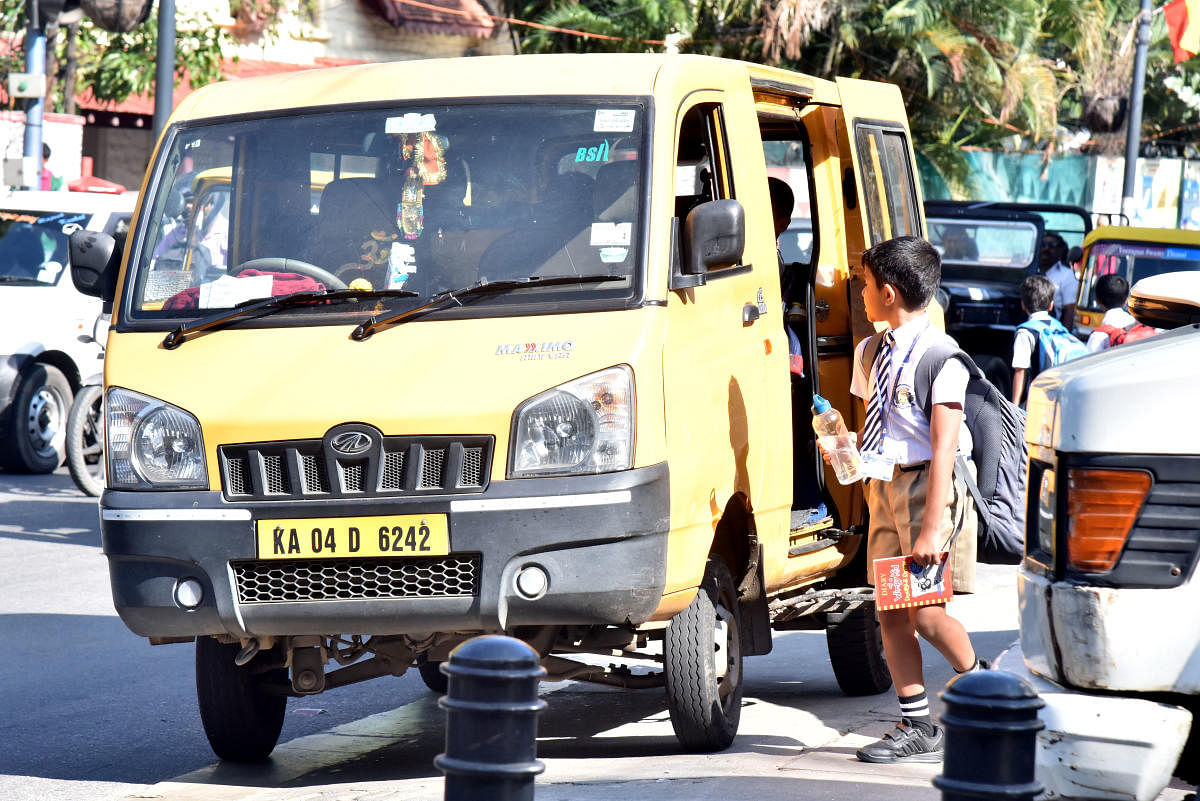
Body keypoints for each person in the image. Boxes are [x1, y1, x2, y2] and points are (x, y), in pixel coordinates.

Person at [828, 235, 981, 764]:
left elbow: (942, 450)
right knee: (892, 613)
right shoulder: (870, 351)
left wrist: (931, 529)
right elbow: (882, 428)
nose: (861, 293)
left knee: (928, 616)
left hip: (924, 493)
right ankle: (917, 724)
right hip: (884, 488)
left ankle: (990, 696)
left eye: (866, 284)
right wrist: (846, 451)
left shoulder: (943, 358)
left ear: (889, 292)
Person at [1033, 232, 1079, 329]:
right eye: (1043, 245)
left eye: (1052, 245)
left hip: (1050, 330)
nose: (1046, 249)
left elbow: (1069, 311)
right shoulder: (1029, 270)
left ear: (1060, 250)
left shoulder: (1067, 275)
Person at [1086, 273, 1137, 353]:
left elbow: (1087, 362)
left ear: (1097, 300)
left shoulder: (1099, 336)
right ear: (1126, 301)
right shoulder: (1137, 326)